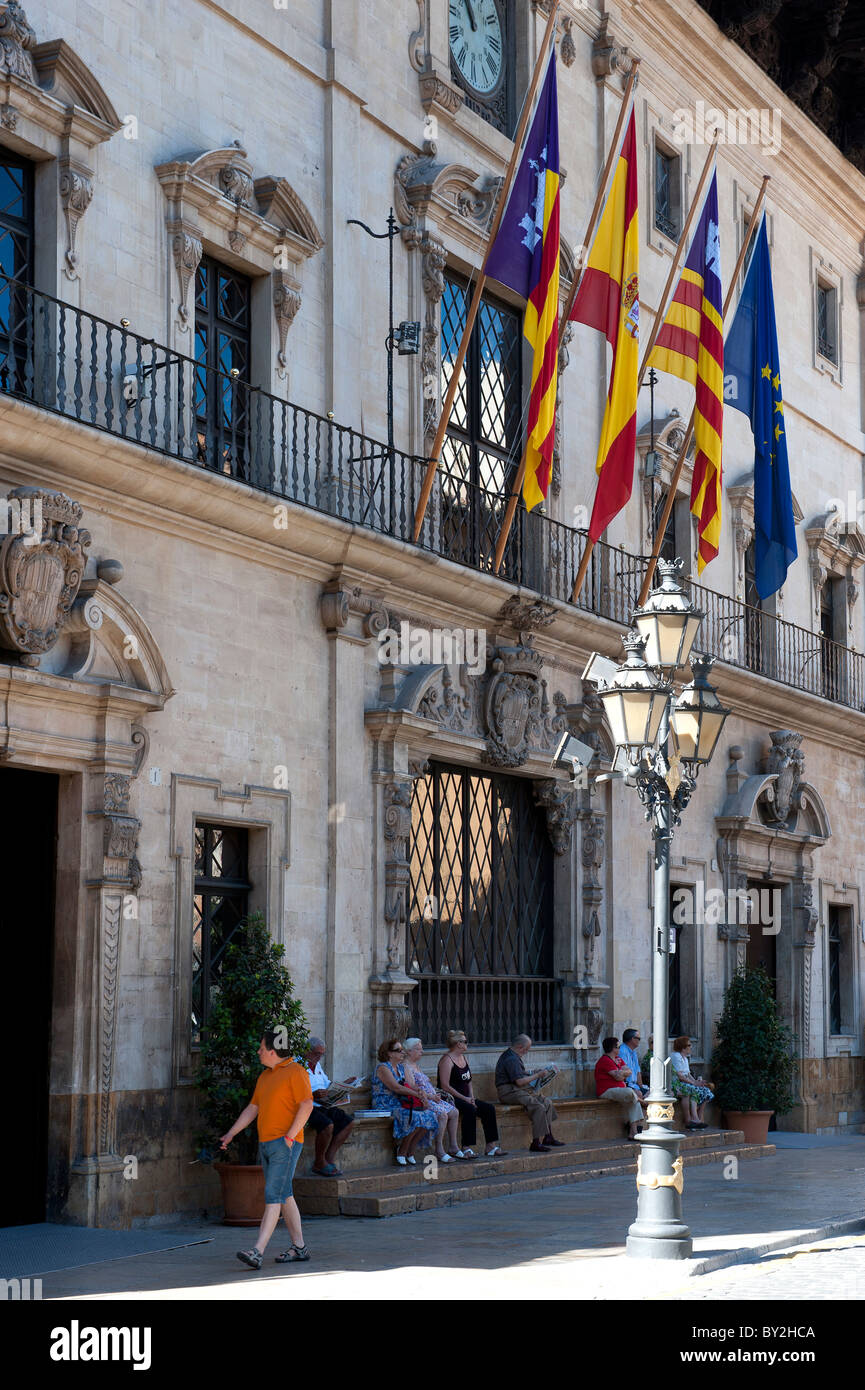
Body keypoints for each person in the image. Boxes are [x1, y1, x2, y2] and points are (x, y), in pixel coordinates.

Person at [219, 1030, 314, 1268]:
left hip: (284, 1144)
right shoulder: (265, 1076)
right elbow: (253, 1108)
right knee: (284, 1194)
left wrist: (289, 1138)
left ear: (273, 1051)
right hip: (268, 1143)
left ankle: (257, 1251)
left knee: (274, 1195)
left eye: (262, 1048)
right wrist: (231, 1133)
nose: (259, 1051)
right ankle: (299, 1247)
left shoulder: (296, 1072)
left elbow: (307, 1105)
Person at [371, 1038, 438, 1165]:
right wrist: (417, 1095)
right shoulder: (383, 1068)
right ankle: (402, 1150)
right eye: (399, 1050)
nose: (403, 1053)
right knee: (415, 1117)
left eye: (402, 1050)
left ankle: (410, 1149)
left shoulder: (401, 1068)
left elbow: (410, 1086)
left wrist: (422, 1092)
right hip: (385, 1104)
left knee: (430, 1116)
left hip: (402, 1103)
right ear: (389, 1053)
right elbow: (396, 1087)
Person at [437, 1029, 503, 1157]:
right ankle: (466, 1147)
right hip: (450, 1098)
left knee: (488, 1109)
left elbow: (469, 1081)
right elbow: (445, 1086)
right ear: (458, 1044)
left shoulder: (463, 1057)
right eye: (465, 1041)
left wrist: (471, 1097)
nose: (467, 1044)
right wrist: (465, 1099)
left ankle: (490, 1146)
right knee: (469, 1109)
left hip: (465, 1097)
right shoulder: (447, 1060)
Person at [495, 1034, 564, 1153]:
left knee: (546, 1102)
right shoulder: (511, 1058)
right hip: (508, 1092)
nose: (527, 1052)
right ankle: (536, 1143)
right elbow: (520, 1081)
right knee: (538, 1106)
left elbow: (519, 1074)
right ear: (520, 1046)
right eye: (526, 1049)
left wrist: (533, 1072)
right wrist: (537, 1075)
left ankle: (548, 1137)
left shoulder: (513, 1056)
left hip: (517, 1089)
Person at [301, 1036, 356, 1176]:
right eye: (316, 1054)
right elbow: (293, 1091)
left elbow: (327, 1085)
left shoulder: (317, 1066)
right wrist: (313, 1094)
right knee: (327, 1125)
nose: (318, 1057)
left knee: (348, 1122)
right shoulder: (297, 1065)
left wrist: (344, 1085)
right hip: (307, 1105)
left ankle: (329, 1158)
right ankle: (319, 1162)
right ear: (307, 1051)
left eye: (321, 1054)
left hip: (323, 1104)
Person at [403, 1038, 462, 1162]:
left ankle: (453, 1146)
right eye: (418, 1049)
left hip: (433, 1098)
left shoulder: (416, 1065)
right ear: (408, 1051)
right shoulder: (406, 1066)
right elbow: (413, 1088)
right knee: (442, 1114)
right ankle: (439, 1149)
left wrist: (435, 1094)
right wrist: (431, 1096)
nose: (422, 1051)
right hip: (423, 1100)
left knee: (455, 1112)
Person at [594, 1036, 644, 1140]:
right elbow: (617, 1077)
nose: (619, 1049)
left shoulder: (618, 1059)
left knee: (633, 1101)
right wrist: (621, 1073)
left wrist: (621, 1072)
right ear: (613, 1048)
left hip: (621, 1090)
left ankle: (633, 1132)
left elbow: (629, 1072)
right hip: (606, 1091)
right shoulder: (605, 1060)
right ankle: (637, 1126)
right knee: (631, 1093)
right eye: (617, 1047)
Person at [671, 1036, 714, 1129]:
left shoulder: (685, 1058)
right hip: (676, 1084)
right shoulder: (676, 1056)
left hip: (684, 1083)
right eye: (689, 1045)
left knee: (706, 1091)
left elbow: (688, 1074)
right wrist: (693, 1083)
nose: (691, 1047)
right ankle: (691, 1119)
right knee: (692, 1089)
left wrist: (697, 1082)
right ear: (683, 1047)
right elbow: (680, 1076)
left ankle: (699, 1118)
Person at [619, 1028, 649, 1098]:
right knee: (640, 1094)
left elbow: (638, 1071)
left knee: (652, 1094)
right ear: (632, 1039)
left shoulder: (634, 1052)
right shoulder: (622, 1051)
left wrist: (641, 1087)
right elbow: (623, 1072)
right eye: (638, 1038)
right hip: (627, 1085)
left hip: (634, 1085)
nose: (639, 1041)